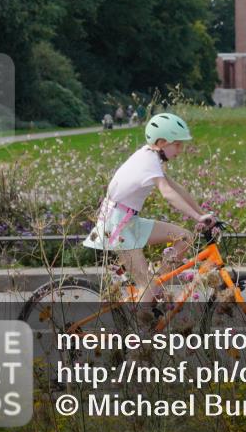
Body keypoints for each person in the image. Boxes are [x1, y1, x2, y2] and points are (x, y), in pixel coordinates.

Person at [83, 113, 215, 304]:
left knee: (185, 238)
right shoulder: (148, 160)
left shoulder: (150, 157)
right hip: (117, 226)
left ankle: (155, 286)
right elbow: (167, 193)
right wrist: (197, 216)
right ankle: (143, 313)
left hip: (128, 220)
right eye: (177, 145)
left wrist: (203, 214)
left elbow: (177, 189)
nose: (180, 150)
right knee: (147, 286)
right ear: (161, 142)